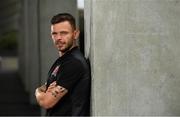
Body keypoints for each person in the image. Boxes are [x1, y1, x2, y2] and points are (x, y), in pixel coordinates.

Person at [35, 13, 90, 116]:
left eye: (64, 33)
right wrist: (45, 91)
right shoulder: (63, 61)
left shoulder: (74, 63)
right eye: (54, 33)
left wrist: (37, 91)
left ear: (75, 34)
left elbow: (46, 102)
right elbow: (47, 86)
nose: (58, 38)